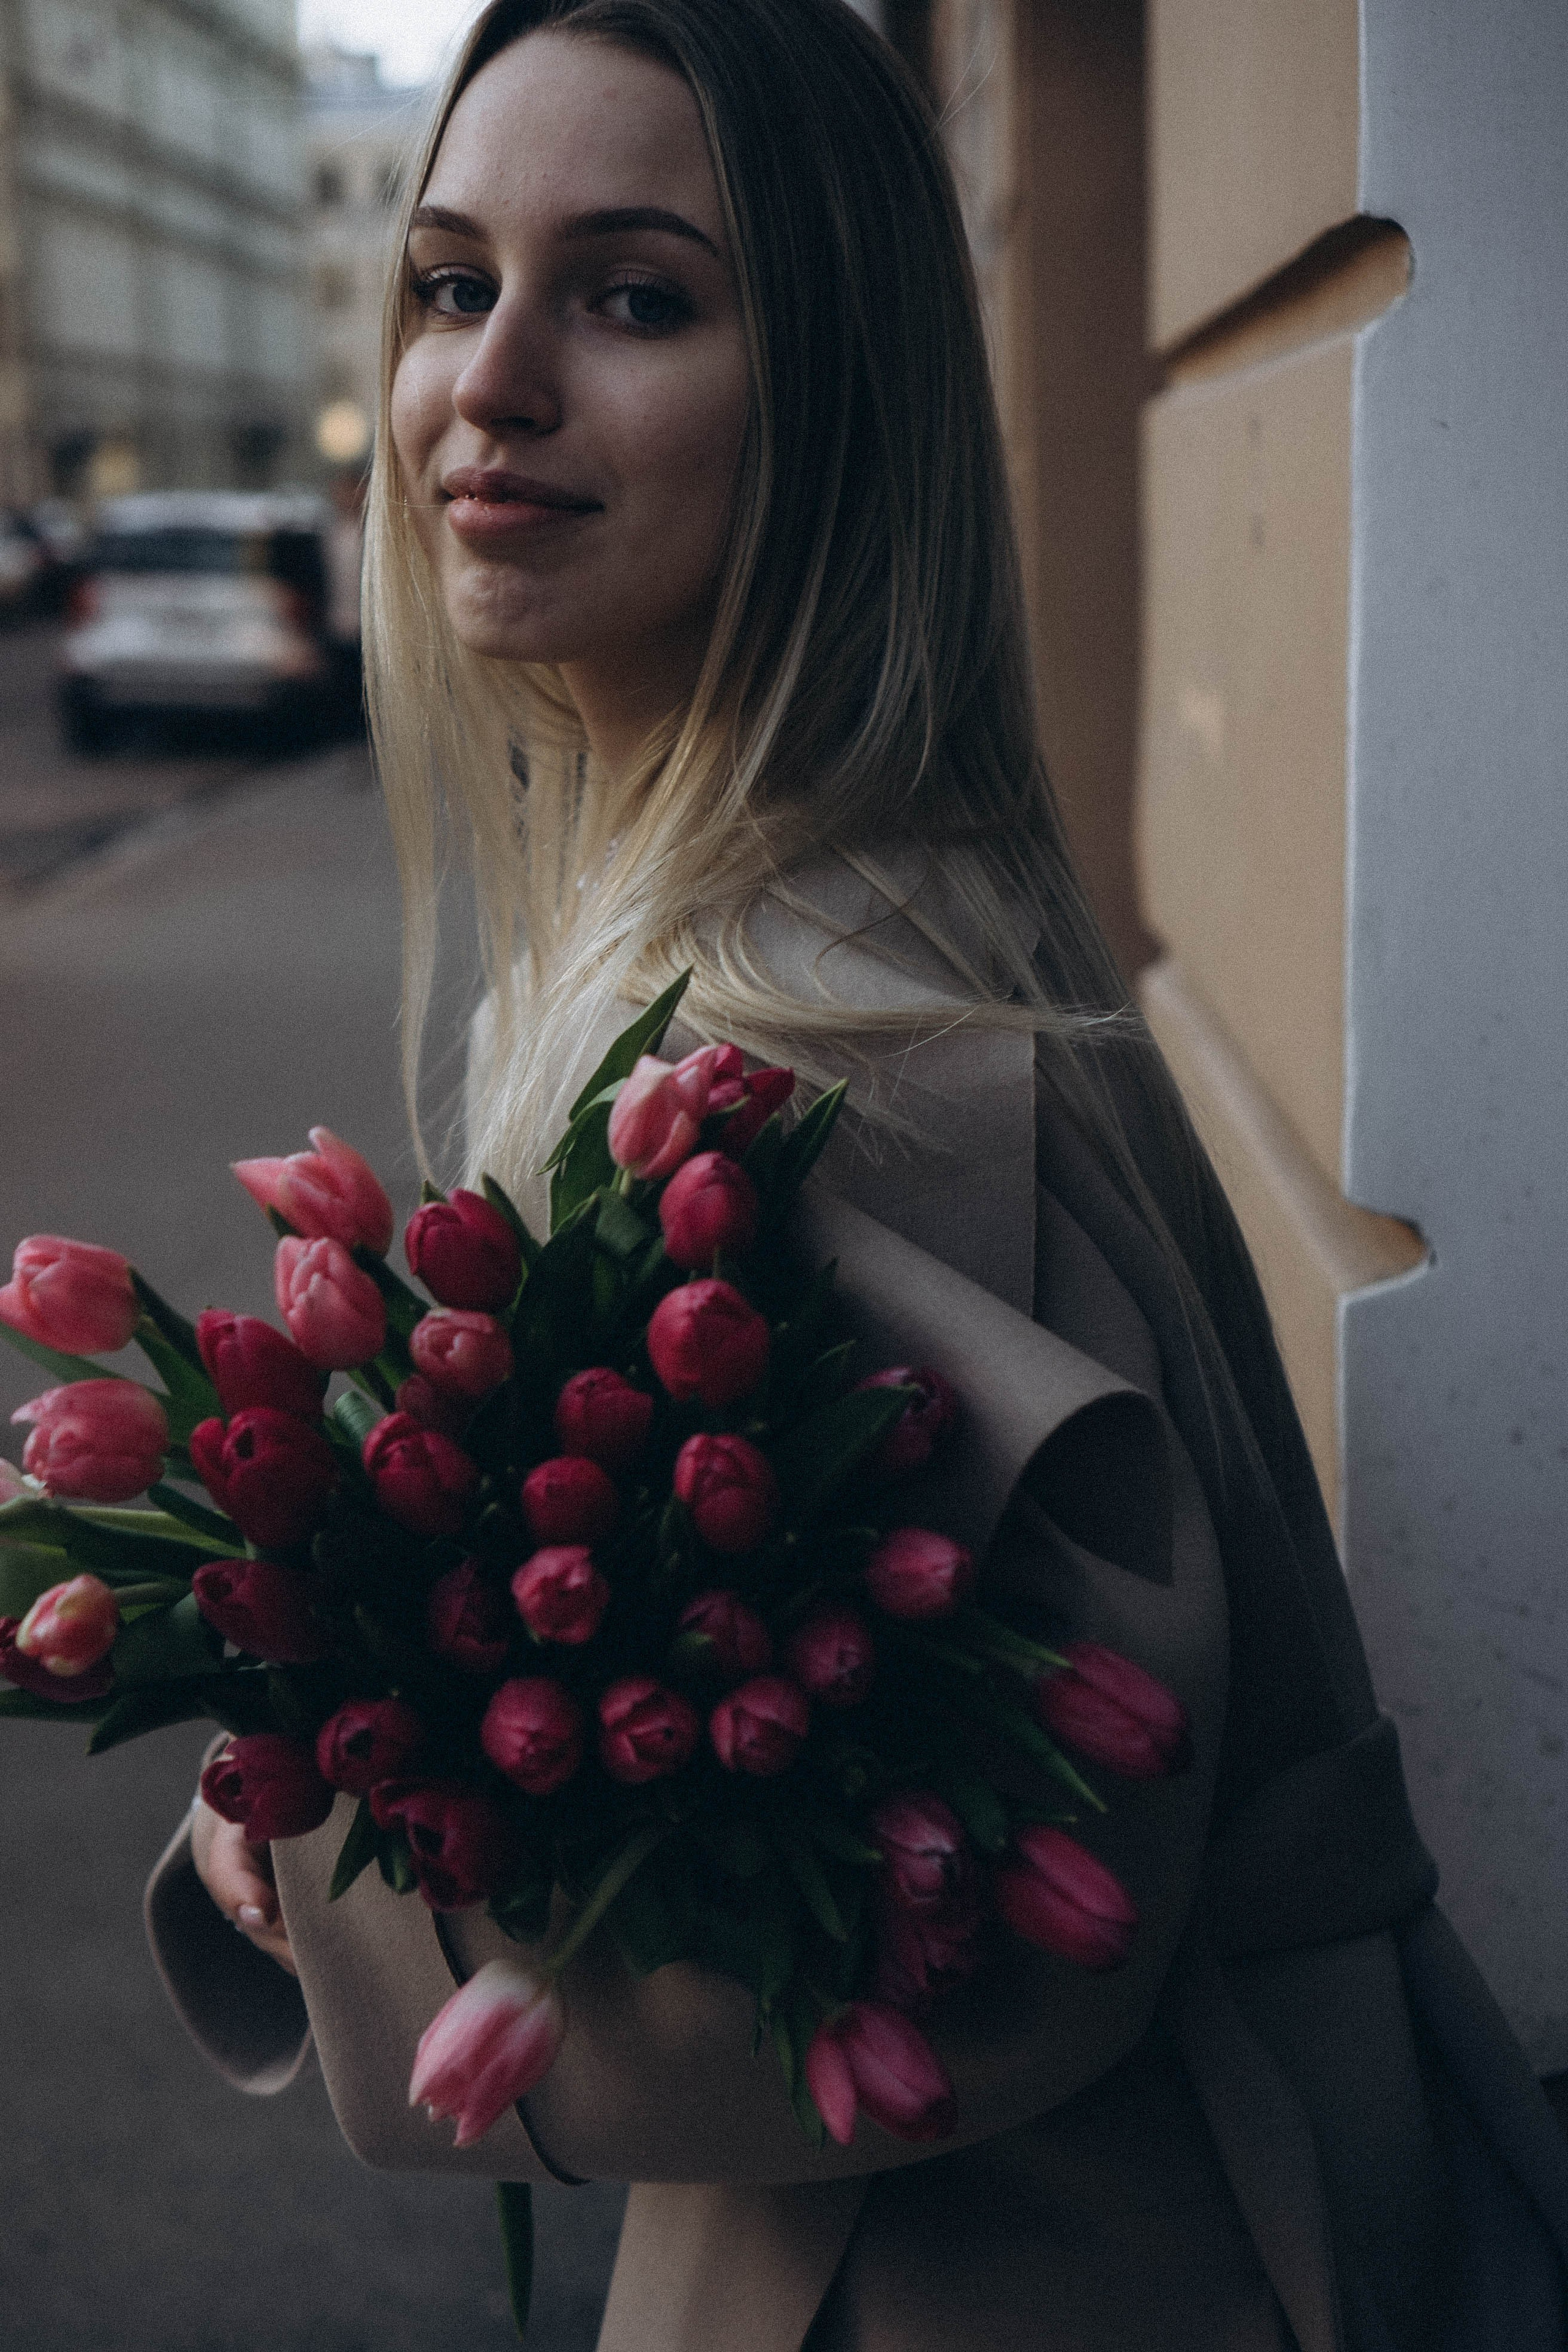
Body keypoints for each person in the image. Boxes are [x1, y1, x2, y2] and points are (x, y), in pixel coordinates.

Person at [146, 4, 1568, 2346]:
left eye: (632, 295)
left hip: (1052, 2260)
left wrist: (313, 1833)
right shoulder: (794, 910)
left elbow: (982, 1921)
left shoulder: (813, 1042)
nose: (484, 385)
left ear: (833, 397)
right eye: (447, 283)